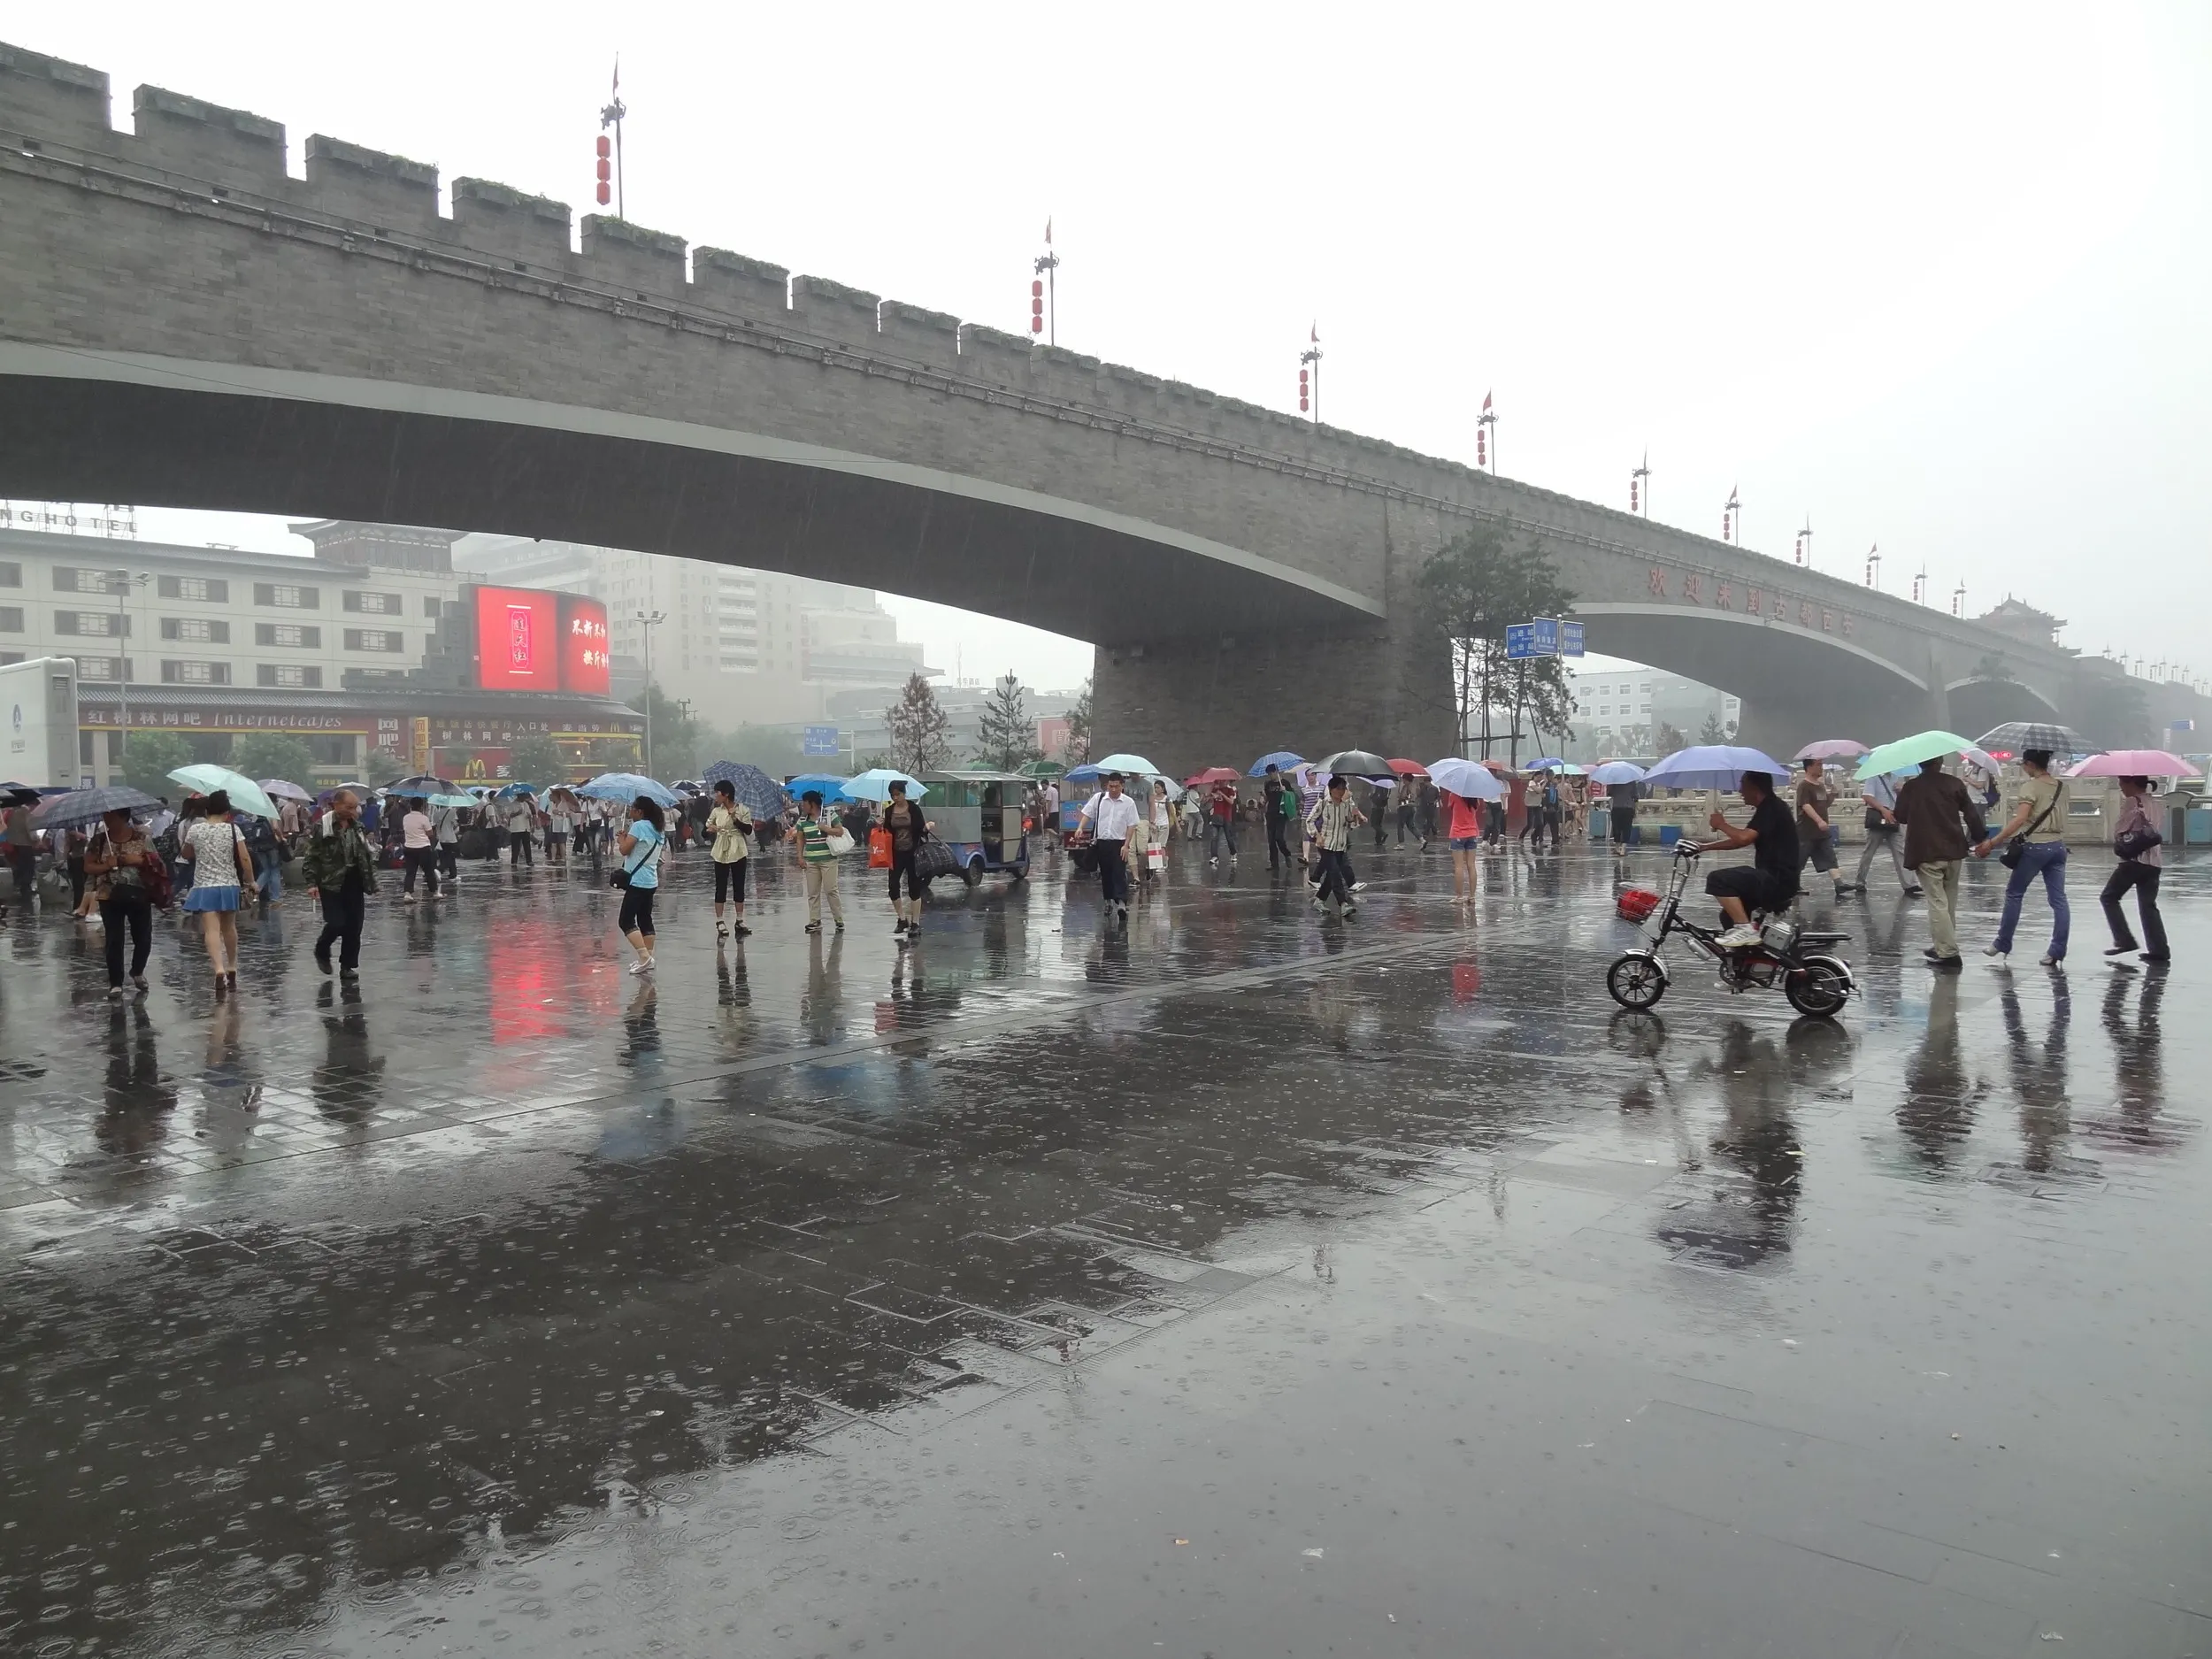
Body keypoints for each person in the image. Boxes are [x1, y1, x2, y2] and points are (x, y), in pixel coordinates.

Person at [1975, 748, 2070, 966]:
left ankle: (2003, 942)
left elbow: (2020, 820)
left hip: (2035, 847)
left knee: (2014, 893)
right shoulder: (2062, 786)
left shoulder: (2030, 787)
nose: (2023, 768)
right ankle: (2057, 950)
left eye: (2024, 764)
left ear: (2030, 764)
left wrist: (1992, 842)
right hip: (2058, 846)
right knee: (2059, 900)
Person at [1893, 757, 1988, 970]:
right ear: (1940, 761)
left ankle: (1948, 953)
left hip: (1927, 851)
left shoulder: (1912, 787)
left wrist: (1902, 795)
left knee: (1937, 903)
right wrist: (1981, 838)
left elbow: (1901, 816)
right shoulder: (1954, 783)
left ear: (1920, 763)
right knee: (1949, 902)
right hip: (1954, 850)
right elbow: (1971, 814)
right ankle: (1943, 945)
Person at [1694, 771, 1799, 949]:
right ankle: (1745, 958)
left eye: (1742, 784)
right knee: (1728, 916)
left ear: (1754, 787)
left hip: (1777, 880)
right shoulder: (1769, 808)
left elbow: (1743, 838)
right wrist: (1704, 847)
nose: (1740, 790)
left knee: (1717, 879)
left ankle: (1746, 930)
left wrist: (1721, 825)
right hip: (1774, 878)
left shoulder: (1771, 808)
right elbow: (1740, 840)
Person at [181, 791, 255, 993]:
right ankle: (232, 966)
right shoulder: (233, 829)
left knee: (211, 930)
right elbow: (245, 858)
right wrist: (251, 881)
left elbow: (186, 854)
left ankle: (218, 969)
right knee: (229, 928)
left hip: (204, 885)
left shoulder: (196, 830)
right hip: (229, 884)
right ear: (227, 811)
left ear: (207, 810)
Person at [84, 807, 162, 995]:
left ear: (123, 817)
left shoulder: (142, 838)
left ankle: (137, 970)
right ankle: (115, 982)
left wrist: (138, 861)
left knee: (143, 937)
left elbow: (156, 863)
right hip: (109, 895)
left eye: (111, 815)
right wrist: (106, 865)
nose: (106, 818)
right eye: (105, 814)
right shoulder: (99, 840)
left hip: (138, 893)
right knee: (114, 939)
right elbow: (88, 867)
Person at [305, 787, 378, 978]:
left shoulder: (357, 826)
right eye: (349, 807)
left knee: (354, 925)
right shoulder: (322, 827)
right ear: (335, 805)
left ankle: (347, 965)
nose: (354, 811)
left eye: (355, 807)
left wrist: (372, 881)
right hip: (330, 881)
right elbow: (311, 856)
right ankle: (322, 949)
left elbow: (365, 855)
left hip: (354, 879)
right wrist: (311, 883)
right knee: (336, 922)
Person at [2101, 774, 2169, 964]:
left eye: (2122, 783)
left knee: (2109, 897)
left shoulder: (2132, 802)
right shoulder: (2156, 804)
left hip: (2133, 861)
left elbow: (2121, 830)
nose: (2121, 787)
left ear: (2131, 783)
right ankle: (2159, 950)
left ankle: (2124, 940)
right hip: (2154, 862)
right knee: (2148, 906)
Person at [1079, 771, 1142, 924]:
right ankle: (1108, 901)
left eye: (1116, 786)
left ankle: (1121, 904)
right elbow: (1087, 813)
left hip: (1119, 843)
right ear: (1107, 785)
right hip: (1102, 842)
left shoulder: (1128, 803)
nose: (1113, 789)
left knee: (1119, 873)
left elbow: (1131, 825)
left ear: (1122, 786)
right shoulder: (1099, 798)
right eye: (1111, 786)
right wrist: (1080, 827)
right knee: (1106, 873)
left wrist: (1126, 845)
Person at [615, 795, 665, 973]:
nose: (630, 812)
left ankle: (644, 957)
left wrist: (621, 840)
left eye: (632, 809)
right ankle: (648, 957)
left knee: (626, 920)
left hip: (637, 881)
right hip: (650, 880)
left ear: (640, 811)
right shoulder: (657, 828)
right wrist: (626, 838)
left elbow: (624, 850)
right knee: (645, 919)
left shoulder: (639, 826)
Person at [1852, 771, 1920, 897]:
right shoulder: (1874, 777)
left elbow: (1900, 800)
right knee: (1869, 852)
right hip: (1878, 818)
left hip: (1893, 818)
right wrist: (1883, 809)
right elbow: (1867, 796)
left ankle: (1910, 884)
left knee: (1901, 851)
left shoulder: (1896, 777)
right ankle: (1860, 881)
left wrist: (1900, 791)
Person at [1308, 774, 1365, 917]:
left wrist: (1357, 818)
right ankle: (1343, 904)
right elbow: (1309, 820)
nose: (1341, 791)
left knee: (1331, 876)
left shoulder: (1347, 805)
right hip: (1326, 845)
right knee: (1335, 873)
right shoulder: (1323, 803)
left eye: (1343, 788)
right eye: (1338, 788)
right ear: (1331, 789)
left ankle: (1319, 900)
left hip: (1340, 845)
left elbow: (1350, 825)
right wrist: (1317, 835)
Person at [882, 778, 932, 938]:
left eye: (898, 794)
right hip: (895, 853)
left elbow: (921, 829)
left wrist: (927, 827)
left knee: (914, 887)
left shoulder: (914, 809)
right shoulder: (889, 811)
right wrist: (881, 824)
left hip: (913, 852)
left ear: (904, 793)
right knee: (893, 886)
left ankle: (915, 923)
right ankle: (902, 919)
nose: (895, 798)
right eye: (892, 795)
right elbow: (887, 831)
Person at [706, 779, 755, 940]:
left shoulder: (742, 810)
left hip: (738, 849)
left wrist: (735, 820)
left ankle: (739, 920)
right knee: (721, 885)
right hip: (721, 849)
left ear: (726, 794)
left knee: (739, 884)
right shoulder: (716, 811)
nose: (716, 796)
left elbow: (748, 830)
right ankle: (720, 920)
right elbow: (705, 831)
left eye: (718, 793)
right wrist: (711, 830)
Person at [1793, 757, 1847, 902]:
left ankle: (1839, 884)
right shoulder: (1804, 786)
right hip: (1806, 831)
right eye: (1818, 765)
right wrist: (1818, 820)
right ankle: (1793, 885)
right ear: (1809, 767)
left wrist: (1833, 794)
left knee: (1830, 856)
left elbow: (1824, 804)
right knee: (1799, 860)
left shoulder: (1820, 786)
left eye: (1821, 765)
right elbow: (1805, 805)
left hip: (1822, 831)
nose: (1821, 768)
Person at [793, 789, 846, 933]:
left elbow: (840, 831)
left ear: (812, 803)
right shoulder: (803, 820)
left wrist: (826, 829)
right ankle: (814, 920)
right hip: (811, 861)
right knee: (813, 892)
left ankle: (838, 919)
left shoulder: (829, 815)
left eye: (804, 803)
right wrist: (800, 857)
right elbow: (800, 839)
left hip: (828, 859)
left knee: (831, 890)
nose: (802, 806)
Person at [1444, 787, 1482, 906]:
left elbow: (1450, 807)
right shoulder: (1474, 797)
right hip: (1472, 833)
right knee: (1471, 865)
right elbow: (1477, 807)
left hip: (1458, 833)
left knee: (1459, 866)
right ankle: (1472, 896)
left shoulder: (1454, 795)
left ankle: (1459, 897)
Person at [397, 796, 439, 902]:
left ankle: (407, 894)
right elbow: (430, 834)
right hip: (423, 847)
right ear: (421, 807)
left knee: (410, 872)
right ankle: (435, 892)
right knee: (429, 872)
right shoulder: (424, 818)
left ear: (410, 806)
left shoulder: (406, 818)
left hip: (409, 848)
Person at [1261, 764, 1295, 872]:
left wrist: (1285, 791)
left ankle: (1287, 854)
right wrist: (1263, 798)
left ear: (1276, 772)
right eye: (1269, 774)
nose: (1270, 775)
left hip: (1281, 813)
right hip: (1271, 813)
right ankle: (1274, 864)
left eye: (1272, 773)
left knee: (1278, 837)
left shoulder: (1285, 783)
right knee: (1271, 840)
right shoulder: (1268, 784)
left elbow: (1292, 796)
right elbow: (1267, 797)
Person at [4, 798, 37, 907]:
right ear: (32, 805)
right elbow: (30, 829)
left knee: (19, 866)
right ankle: (25, 888)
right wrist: (36, 839)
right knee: (29, 866)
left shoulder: (11, 812)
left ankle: (19, 886)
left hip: (13, 844)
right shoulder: (26, 812)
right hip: (25, 844)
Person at [1207, 777, 1239, 870]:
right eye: (1220, 781)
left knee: (1229, 837)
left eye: (1224, 780)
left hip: (1226, 816)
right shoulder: (1215, 789)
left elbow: (1231, 802)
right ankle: (1214, 856)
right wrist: (1212, 787)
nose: (1222, 782)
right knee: (1214, 837)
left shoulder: (1230, 790)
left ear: (1227, 781)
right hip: (1216, 816)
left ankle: (1233, 853)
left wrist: (1222, 795)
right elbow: (1207, 796)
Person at [433, 795, 461, 886]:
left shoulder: (436, 814)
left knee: (446, 856)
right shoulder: (451, 811)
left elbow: (436, 825)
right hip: (450, 838)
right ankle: (439, 869)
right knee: (450, 857)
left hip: (441, 839)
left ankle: (453, 875)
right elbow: (455, 824)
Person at [1608, 778, 1639, 857]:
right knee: (1627, 828)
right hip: (1629, 808)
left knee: (1616, 828)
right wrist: (1636, 810)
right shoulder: (1632, 781)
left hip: (1617, 807)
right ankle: (1623, 849)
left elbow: (1610, 793)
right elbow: (1635, 797)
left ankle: (1617, 848)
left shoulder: (1614, 781)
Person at [504, 791, 535, 864]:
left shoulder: (526, 804)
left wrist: (530, 818)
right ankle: (514, 861)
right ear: (519, 796)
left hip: (526, 827)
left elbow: (530, 814)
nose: (524, 798)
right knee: (515, 846)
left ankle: (529, 861)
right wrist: (517, 813)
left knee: (527, 845)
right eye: (523, 797)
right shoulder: (512, 804)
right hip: (516, 828)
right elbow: (508, 815)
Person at [546, 793, 571, 865]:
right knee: (553, 843)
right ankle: (553, 858)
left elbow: (568, 814)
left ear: (556, 796)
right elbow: (550, 814)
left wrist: (559, 813)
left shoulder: (564, 804)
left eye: (552, 795)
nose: (550, 797)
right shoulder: (552, 804)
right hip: (554, 824)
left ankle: (563, 858)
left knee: (561, 843)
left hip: (562, 825)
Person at [1394, 775, 1419, 847]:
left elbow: (1404, 797)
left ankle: (1401, 844)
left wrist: (1400, 797)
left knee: (1400, 826)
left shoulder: (1407, 787)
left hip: (1405, 808)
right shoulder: (1415, 786)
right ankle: (1422, 839)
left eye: (1404, 779)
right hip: (1412, 808)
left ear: (1406, 779)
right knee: (1411, 826)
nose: (1403, 781)